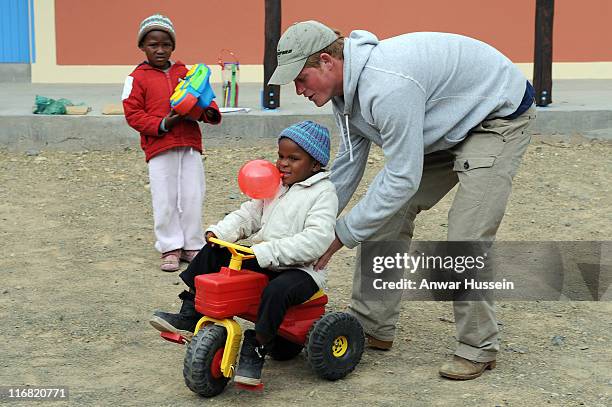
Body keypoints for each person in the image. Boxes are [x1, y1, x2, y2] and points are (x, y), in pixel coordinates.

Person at [268, 20, 537, 380]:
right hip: (443, 125)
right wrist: (311, 216)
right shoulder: (343, 95)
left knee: (463, 237)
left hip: (495, 118)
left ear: (326, 62)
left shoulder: (387, 86)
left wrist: (340, 234)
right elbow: (348, 162)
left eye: (300, 78)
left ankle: (478, 346)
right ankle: (370, 326)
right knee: (386, 218)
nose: (298, 89)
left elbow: (402, 177)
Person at [149, 121, 338, 386]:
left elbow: (316, 241)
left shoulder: (323, 194)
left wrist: (264, 251)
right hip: (264, 258)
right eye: (281, 156)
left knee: (277, 291)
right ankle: (191, 311)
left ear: (315, 165)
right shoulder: (276, 185)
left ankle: (258, 344)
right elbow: (248, 214)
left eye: (293, 159)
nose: (283, 164)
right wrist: (221, 233)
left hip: (302, 270)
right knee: (214, 252)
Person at [122, 14, 221, 272]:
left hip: (189, 144)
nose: (160, 50)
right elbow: (133, 114)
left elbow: (204, 98)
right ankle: (170, 246)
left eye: (166, 44)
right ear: (142, 46)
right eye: (153, 44)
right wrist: (163, 123)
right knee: (165, 198)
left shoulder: (186, 72)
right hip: (159, 146)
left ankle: (192, 244)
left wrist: (208, 112)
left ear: (173, 46)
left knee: (192, 194)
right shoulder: (136, 78)